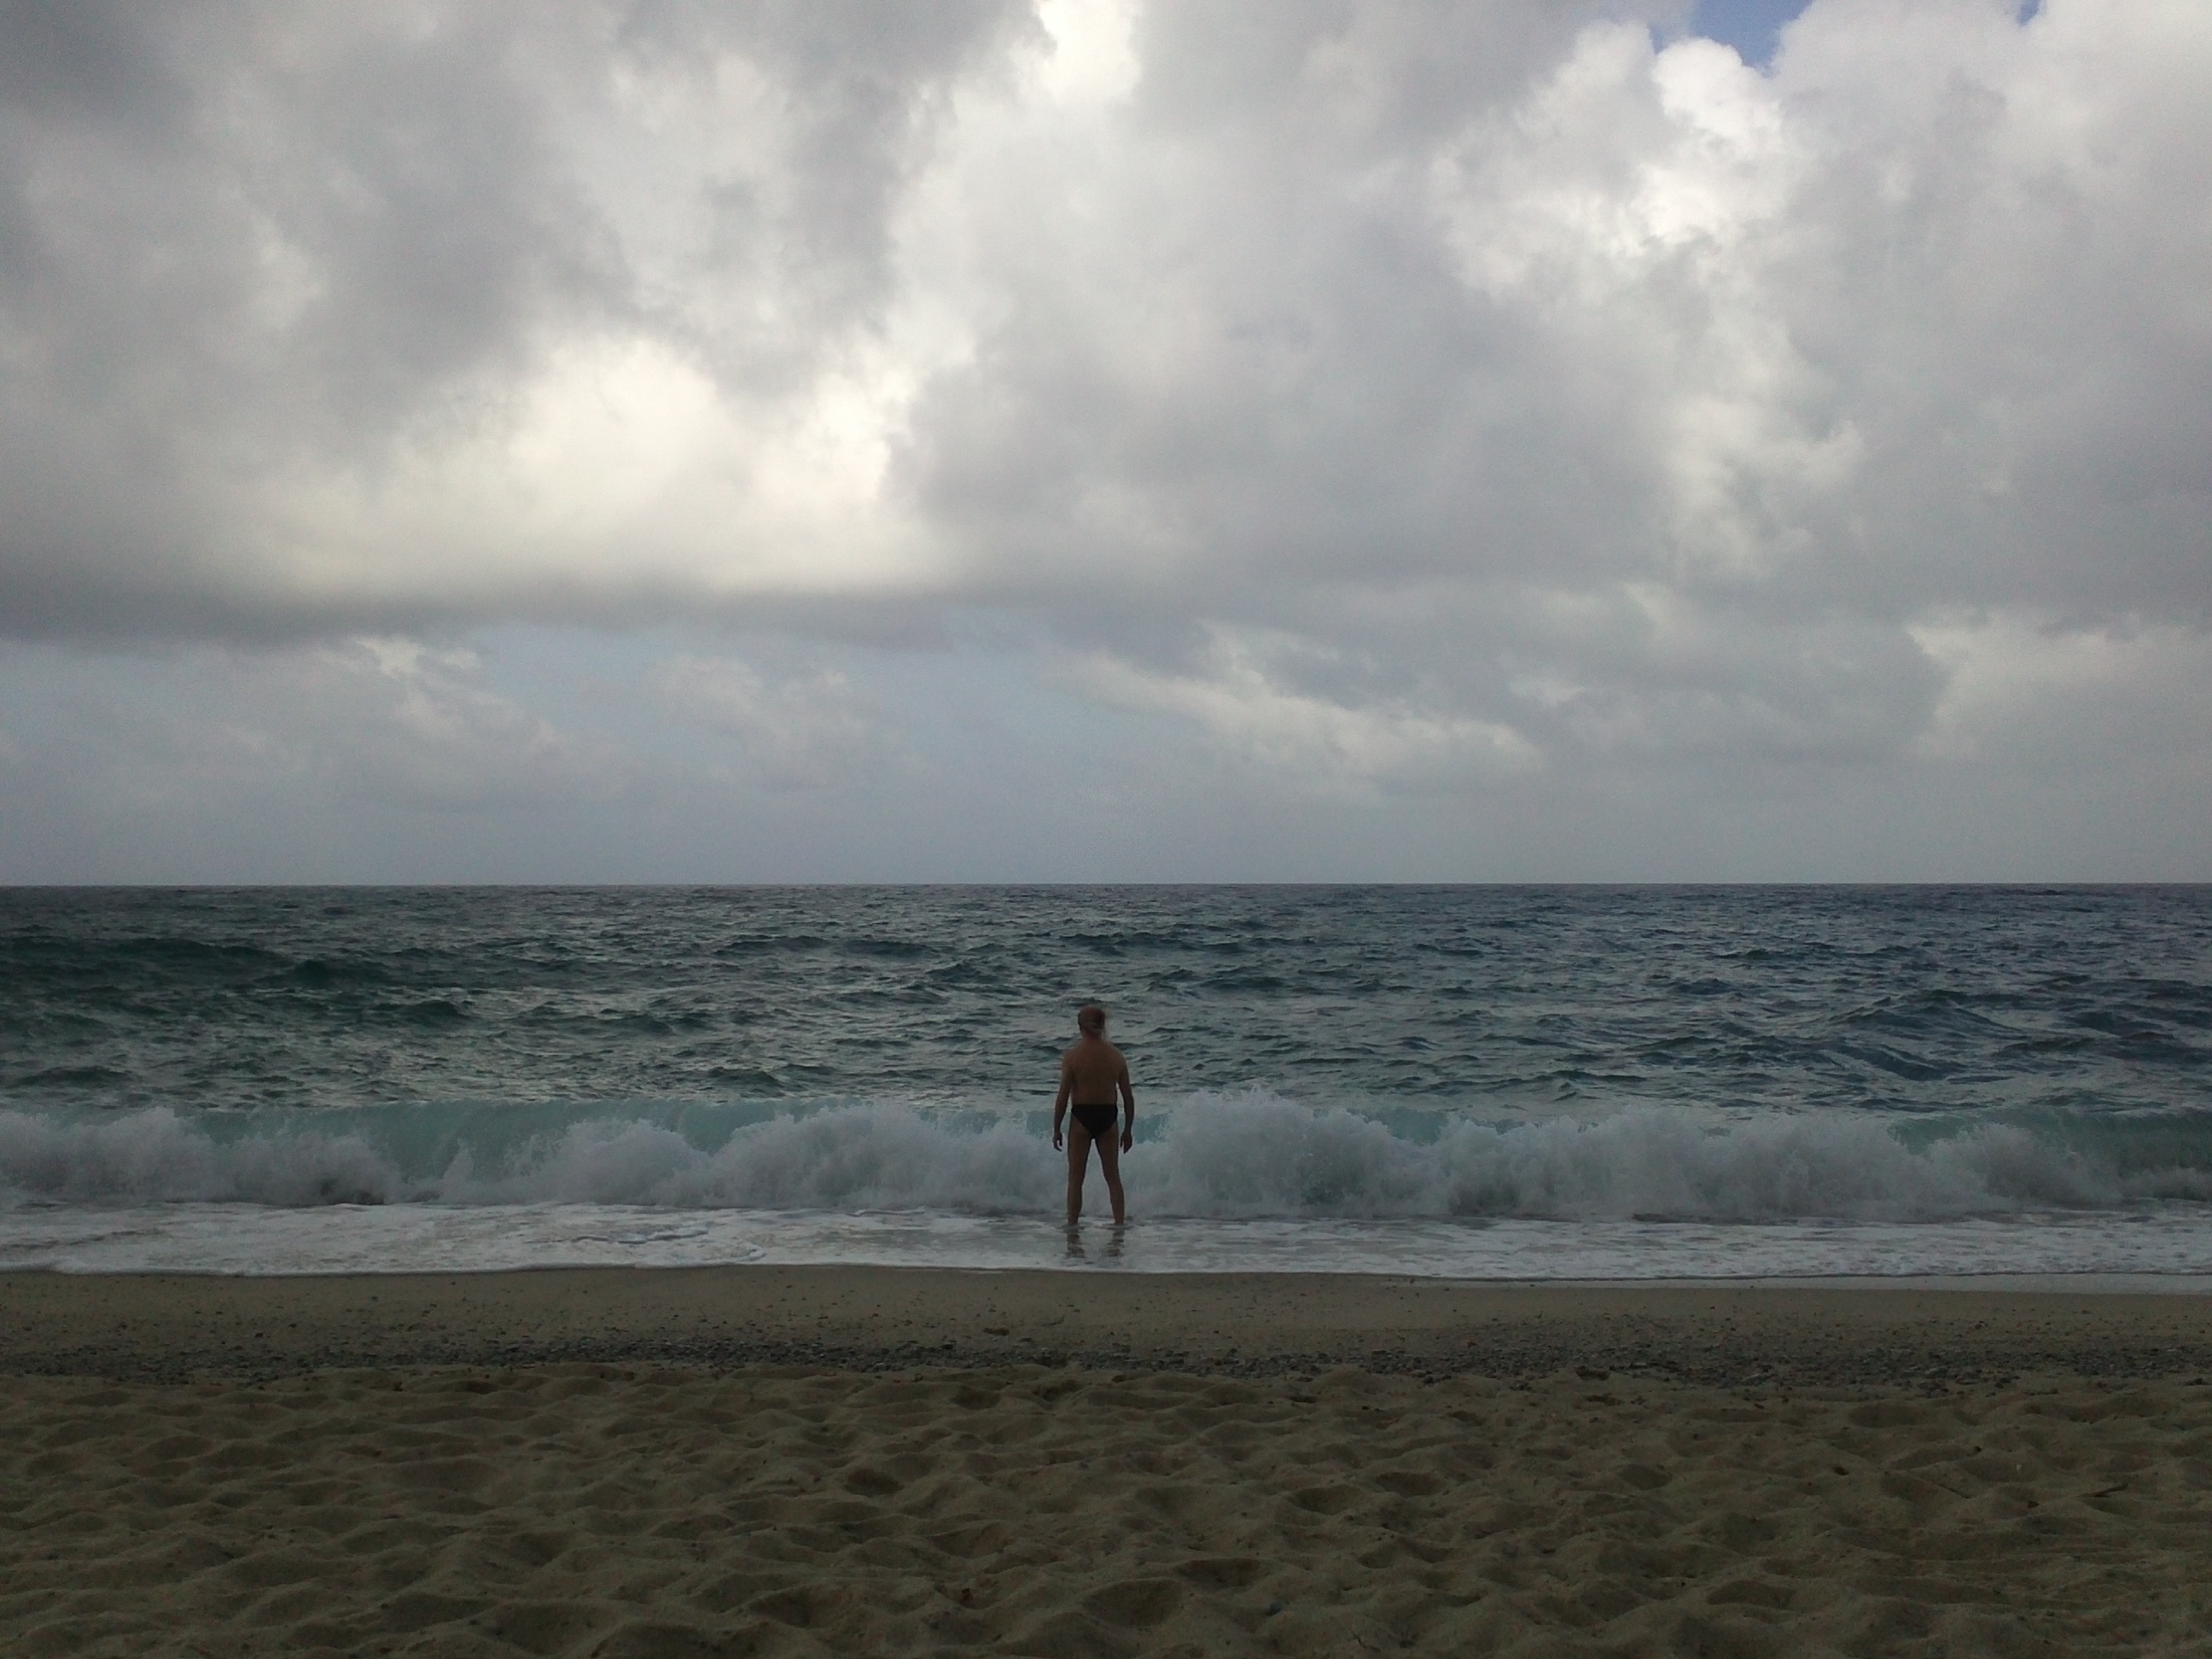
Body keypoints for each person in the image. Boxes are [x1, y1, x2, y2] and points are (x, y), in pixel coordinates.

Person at [1051, 1004, 1134, 1225]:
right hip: (1108, 1116)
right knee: (1113, 1177)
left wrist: (1056, 1128)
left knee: (1076, 1178)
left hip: (1082, 1115)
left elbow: (1062, 1097)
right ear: (1102, 1025)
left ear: (1081, 1027)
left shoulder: (1073, 1057)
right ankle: (1119, 1226)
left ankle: (1072, 1226)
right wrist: (1128, 1130)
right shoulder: (1117, 1056)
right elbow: (1128, 1097)